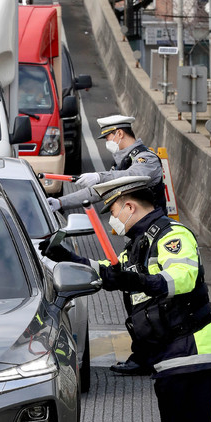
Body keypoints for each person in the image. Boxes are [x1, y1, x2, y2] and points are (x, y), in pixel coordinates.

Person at [41, 175, 211, 422]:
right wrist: (68, 259)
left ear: (129, 205)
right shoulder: (140, 243)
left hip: (190, 349)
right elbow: (112, 274)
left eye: (112, 210)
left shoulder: (171, 235)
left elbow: (181, 277)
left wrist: (141, 280)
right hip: (169, 353)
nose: (112, 218)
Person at [48, 113, 166, 376]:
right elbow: (95, 191)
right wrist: (61, 203)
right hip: (138, 239)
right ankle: (145, 353)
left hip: (153, 238)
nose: (108, 142)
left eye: (109, 137)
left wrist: (100, 176)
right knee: (134, 294)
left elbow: (135, 175)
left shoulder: (145, 159)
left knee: (146, 296)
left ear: (120, 134)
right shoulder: (120, 165)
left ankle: (148, 355)